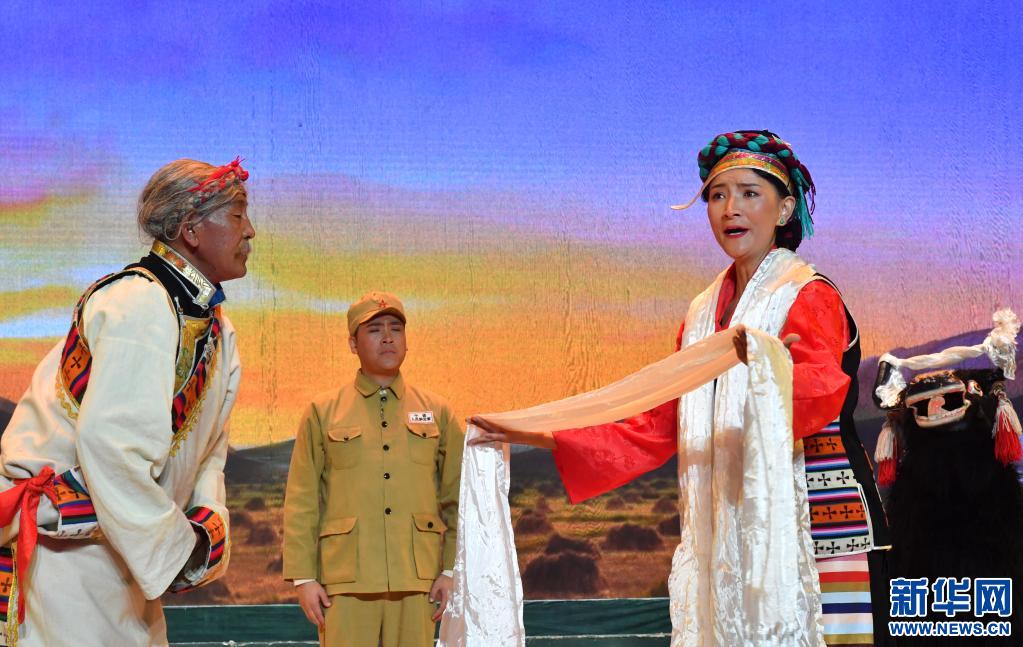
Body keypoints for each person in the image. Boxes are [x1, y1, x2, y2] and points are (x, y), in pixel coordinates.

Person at [472, 130, 891, 646]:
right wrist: (537, 433)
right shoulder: (701, 314)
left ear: (784, 210)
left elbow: (819, 391)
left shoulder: (808, 293)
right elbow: (659, 421)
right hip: (727, 526)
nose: (731, 209)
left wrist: (767, 368)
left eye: (750, 193)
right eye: (717, 196)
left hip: (818, 523)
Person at [0, 157, 254, 646]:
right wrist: (176, 549)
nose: (251, 231)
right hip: (65, 561)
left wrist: (199, 537)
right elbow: (111, 450)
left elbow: (209, 456)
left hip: (124, 556)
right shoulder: (139, 302)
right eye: (239, 215)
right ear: (191, 229)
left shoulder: (219, 332)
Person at [282, 291, 464, 647]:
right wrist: (303, 577)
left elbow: (458, 497)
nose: (388, 337)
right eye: (374, 330)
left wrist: (450, 569)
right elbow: (301, 499)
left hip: (419, 578)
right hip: (345, 580)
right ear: (353, 344)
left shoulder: (438, 411)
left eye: (396, 328)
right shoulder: (323, 411)